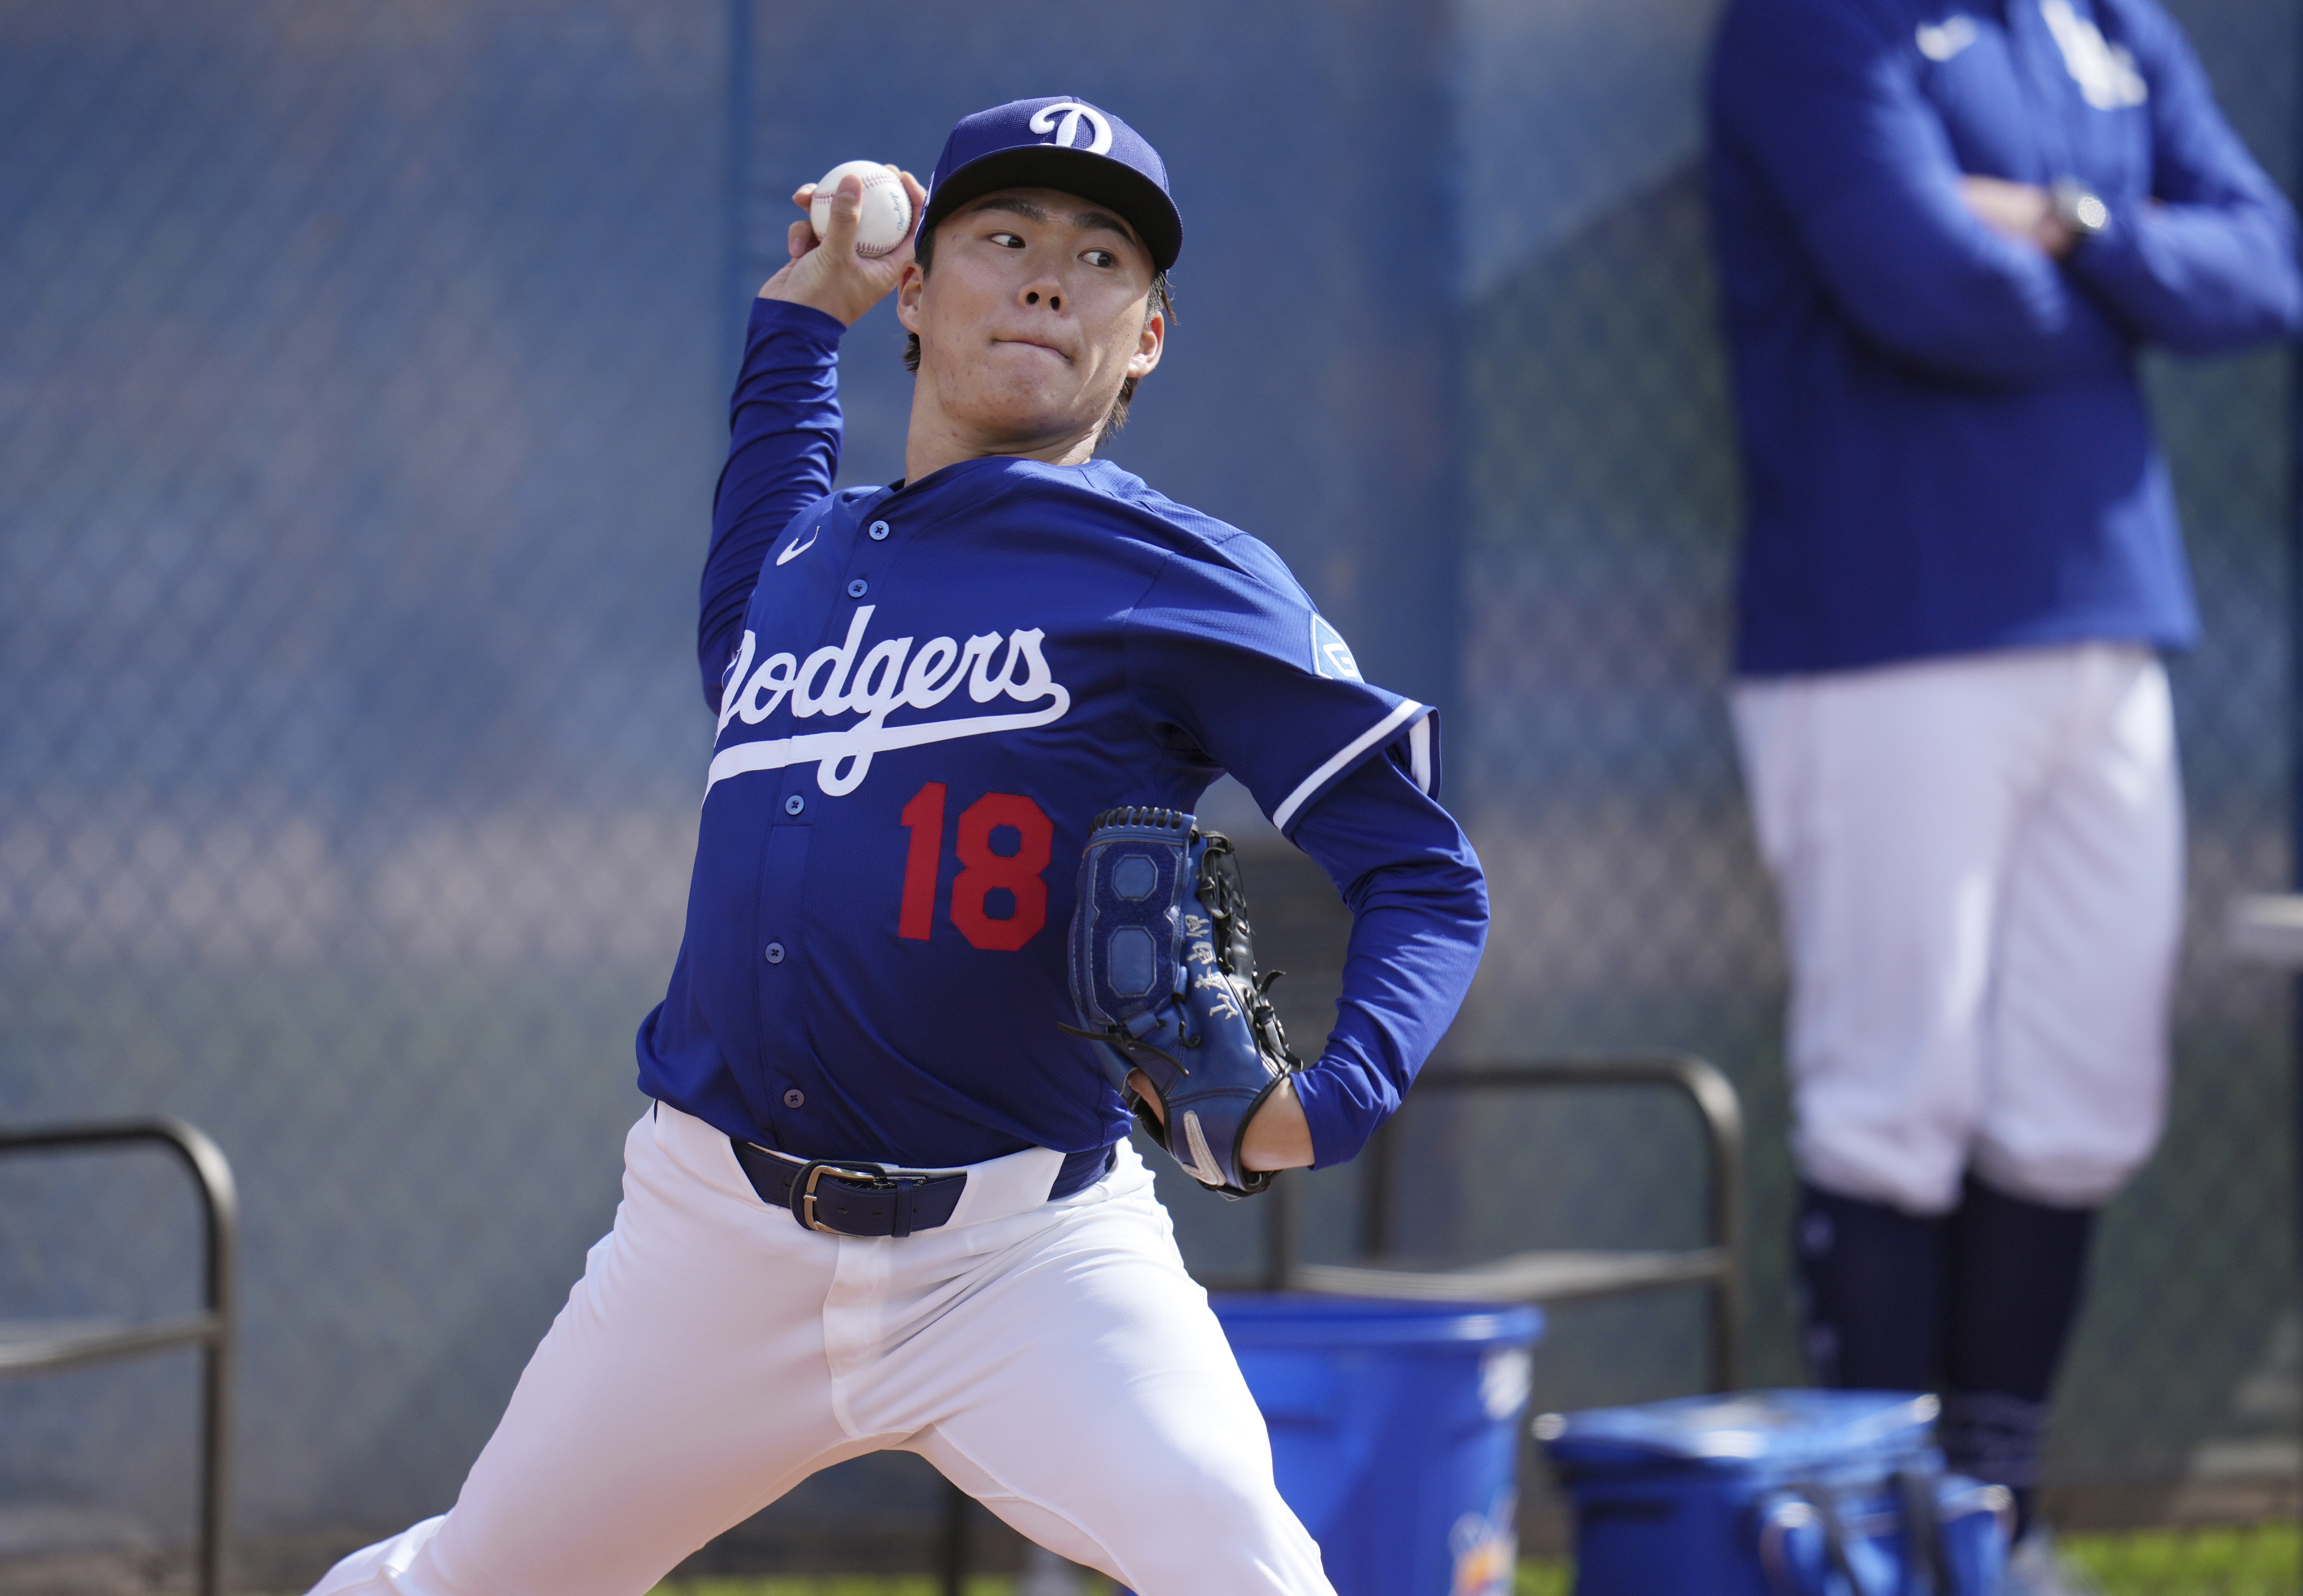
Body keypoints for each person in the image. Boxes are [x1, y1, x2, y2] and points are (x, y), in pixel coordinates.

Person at [304, 96, 1488, 1596]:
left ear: (1146, 341)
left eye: (1101, 256)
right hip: (709, 1244)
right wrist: (812, 303)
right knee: (467, 1587)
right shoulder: (791, 569)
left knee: (1242, 1566)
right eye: (1004, 238)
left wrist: (1331, 1100)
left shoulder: (1182, 579)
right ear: (920, 292)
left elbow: (1422, 874)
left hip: (1028, 1258)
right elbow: (776, 439)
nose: (1049, 277)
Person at [1706, 0, 2300, 1585]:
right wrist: (2134, 283)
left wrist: (2065, 226)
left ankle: (1994, 1524)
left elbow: (2265, 267)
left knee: (2076, 1104)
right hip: (1884, 627)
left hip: (2110, 616)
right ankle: (1878, 1546)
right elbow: (1927, 293)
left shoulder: (2108, 21)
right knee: (1892, 1099)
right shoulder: (1808, 25)